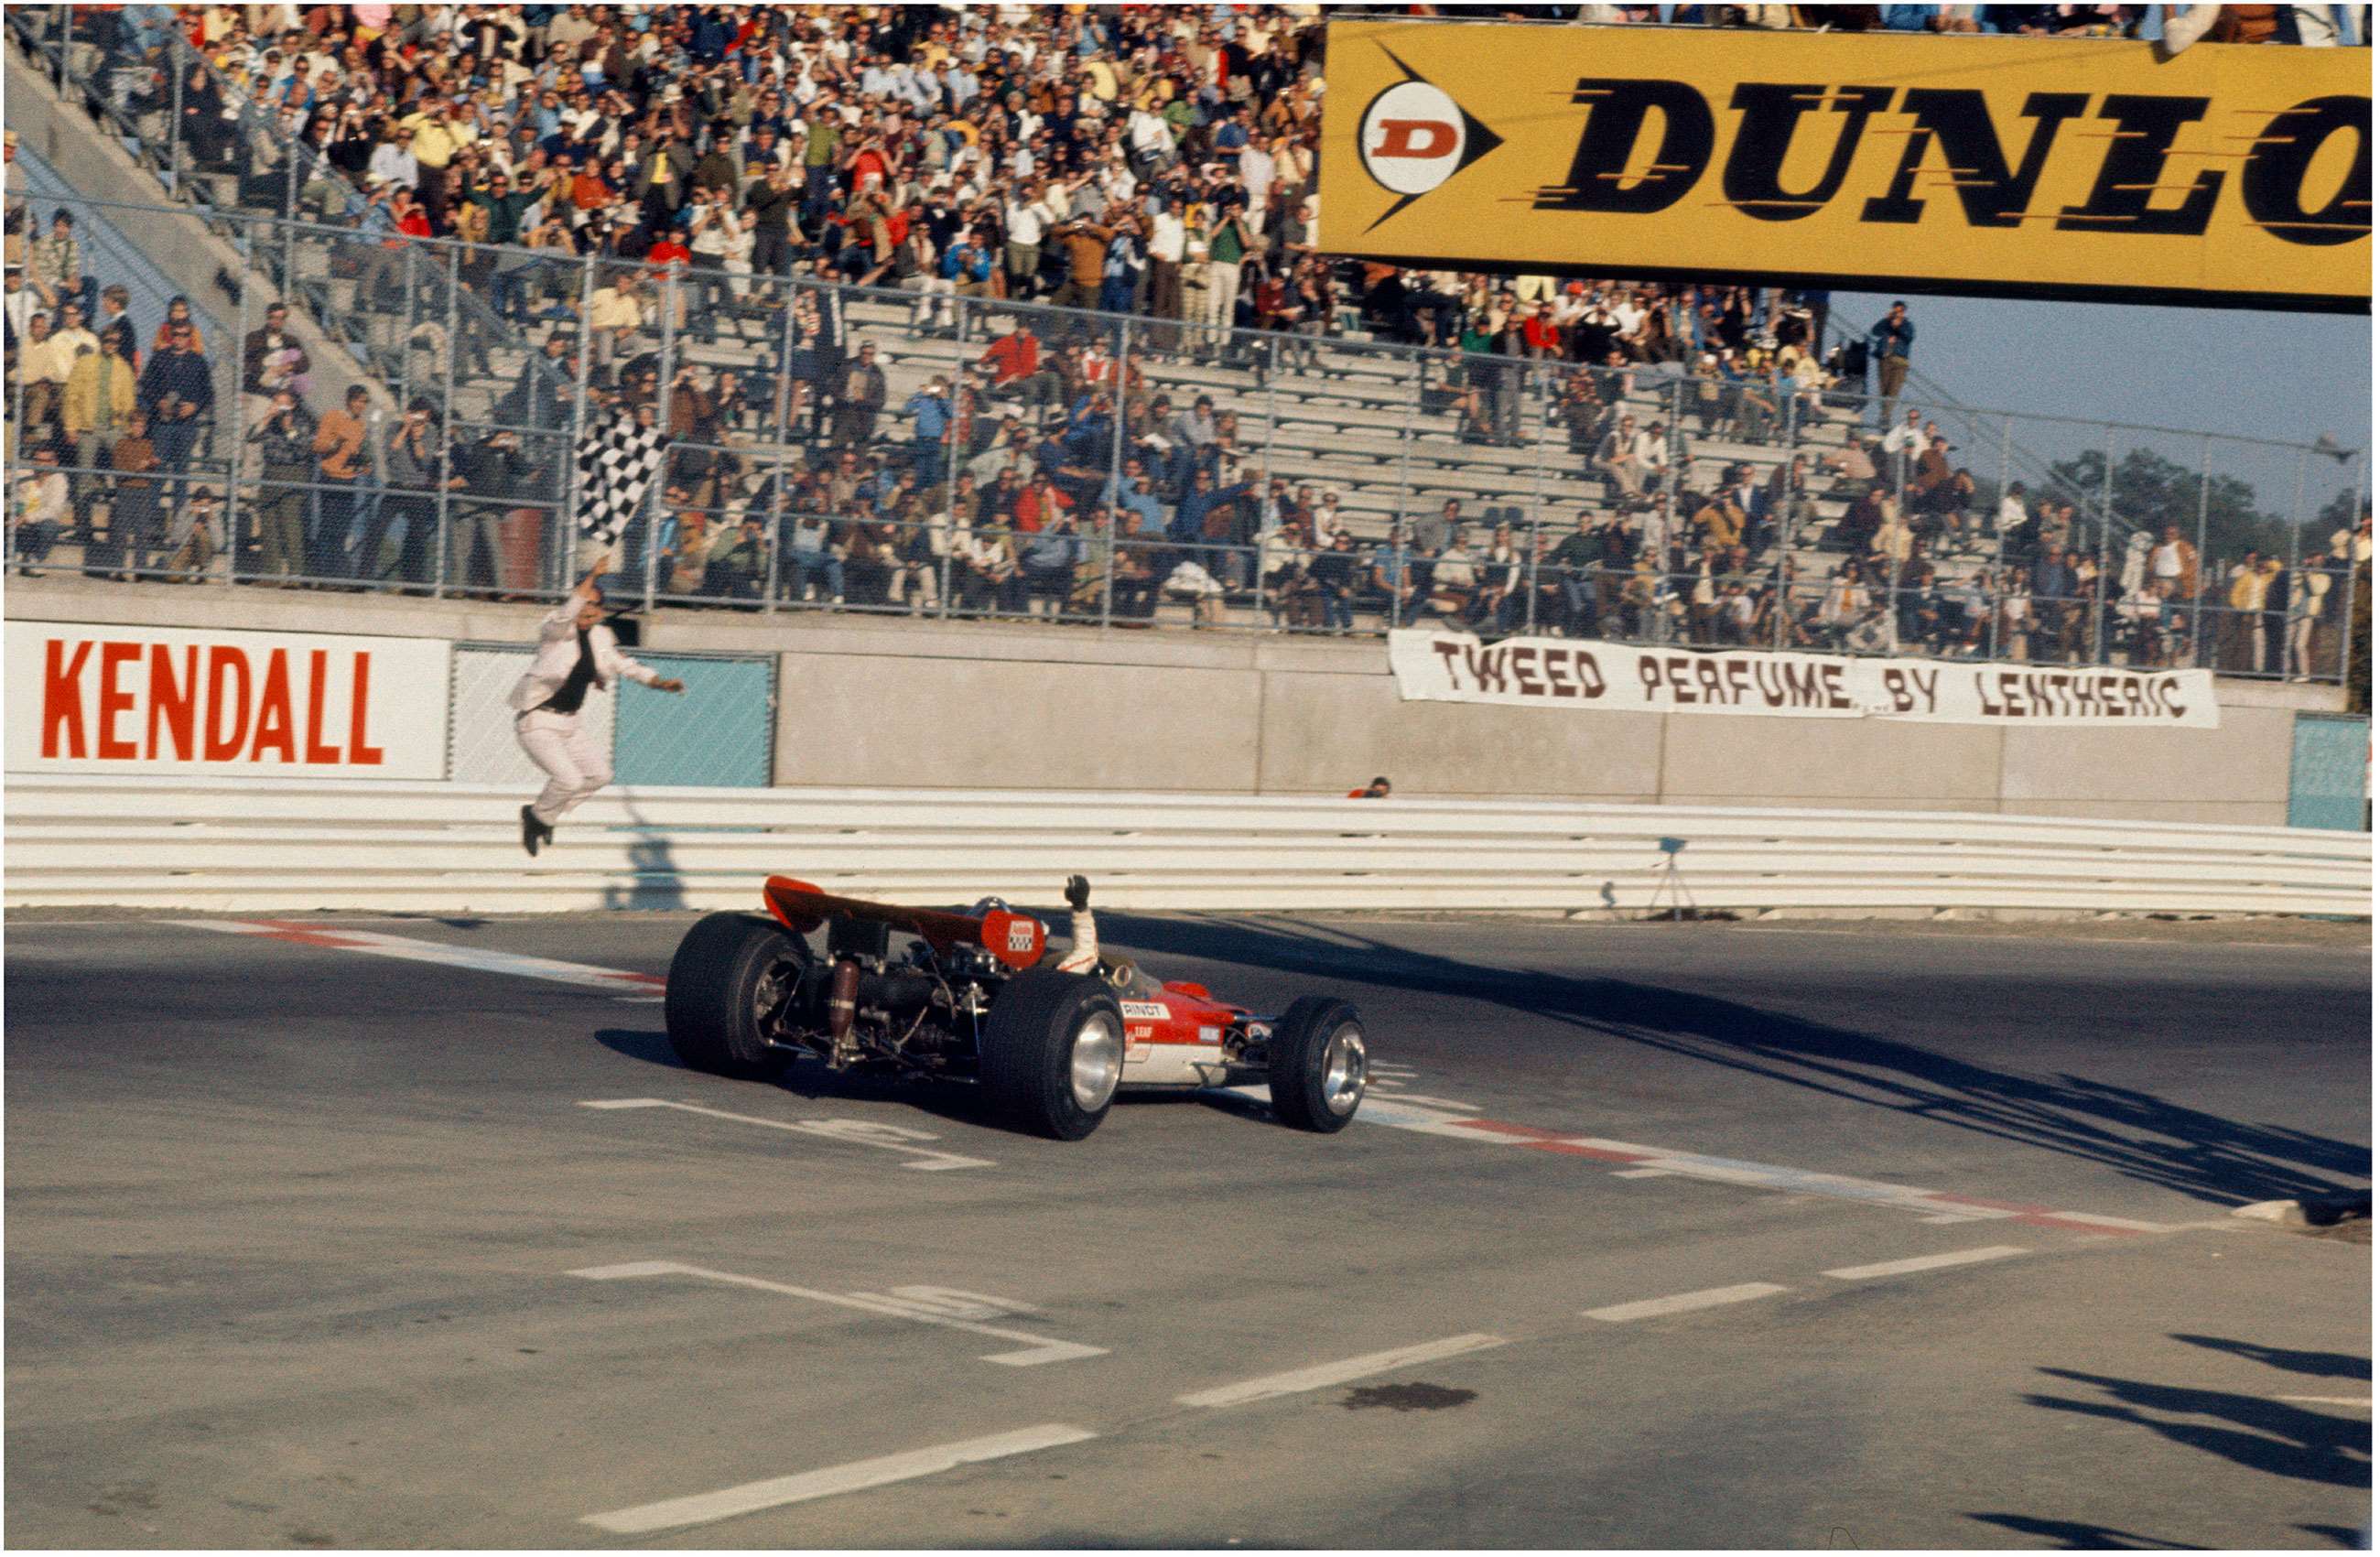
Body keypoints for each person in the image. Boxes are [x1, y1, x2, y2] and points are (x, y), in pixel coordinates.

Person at [509, 555, 685, 856]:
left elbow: (624, 664)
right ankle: (538, 817)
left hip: (569, 723)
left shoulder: (601, 637)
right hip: (538, 722)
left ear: (602, 612)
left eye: (595, 605)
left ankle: (542, 816)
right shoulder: (556, 632)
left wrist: (657, 681)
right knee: (569, 779)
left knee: (600, 775)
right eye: (585, 604)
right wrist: (592, 575)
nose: (589, 610)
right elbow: (567, 613)